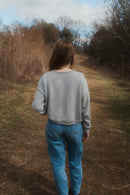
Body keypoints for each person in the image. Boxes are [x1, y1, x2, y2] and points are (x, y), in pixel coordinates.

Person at [32, 40, 91, 195]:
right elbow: (85, 107)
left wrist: (49, 111)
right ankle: (75, 192)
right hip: (75, 127)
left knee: (58, 164)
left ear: (55, 55)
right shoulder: (80, 78)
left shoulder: (46, 78)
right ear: (71, 56)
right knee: (75, 162)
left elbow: (37, 106)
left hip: (54, 127)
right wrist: (87, 127)